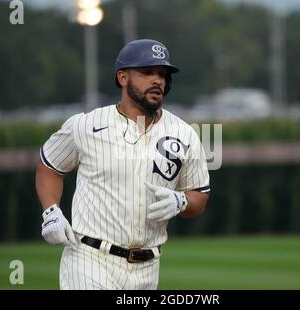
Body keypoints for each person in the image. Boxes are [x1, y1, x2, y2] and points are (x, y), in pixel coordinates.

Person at [35, 39, 210, 290]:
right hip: (89, 259)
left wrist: (182, 201)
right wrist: (51, 212)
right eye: (147, 72)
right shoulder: (86, 125)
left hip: (148, 269)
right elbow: (49, 165)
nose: (158, 80)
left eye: (162, 74)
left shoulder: (185, 134)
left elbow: (200, 196)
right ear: (123, 77)